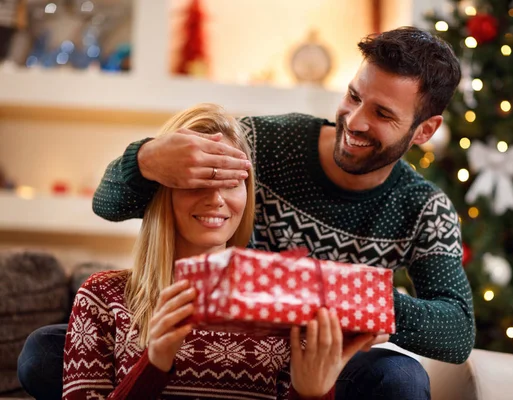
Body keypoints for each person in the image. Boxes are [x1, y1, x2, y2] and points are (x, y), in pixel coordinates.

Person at [19, 26, 475, 400]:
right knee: (43, 351)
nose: (354, 120)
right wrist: (146, 158)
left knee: (400, 380)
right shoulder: (260, 143)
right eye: (353, 96)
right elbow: (109, 204)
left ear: (424, 130)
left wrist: (332, 294)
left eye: (382, 113)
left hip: (311, 348)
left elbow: (456, 331)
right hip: (214, 322)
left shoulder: (424, 208)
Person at [59, 103, 380, 399]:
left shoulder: (285, 305)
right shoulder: (102, 296)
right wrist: (153, 365)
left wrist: (311, 394)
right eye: (197, 180)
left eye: (230, 181)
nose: (215, 198)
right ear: (163, 189)